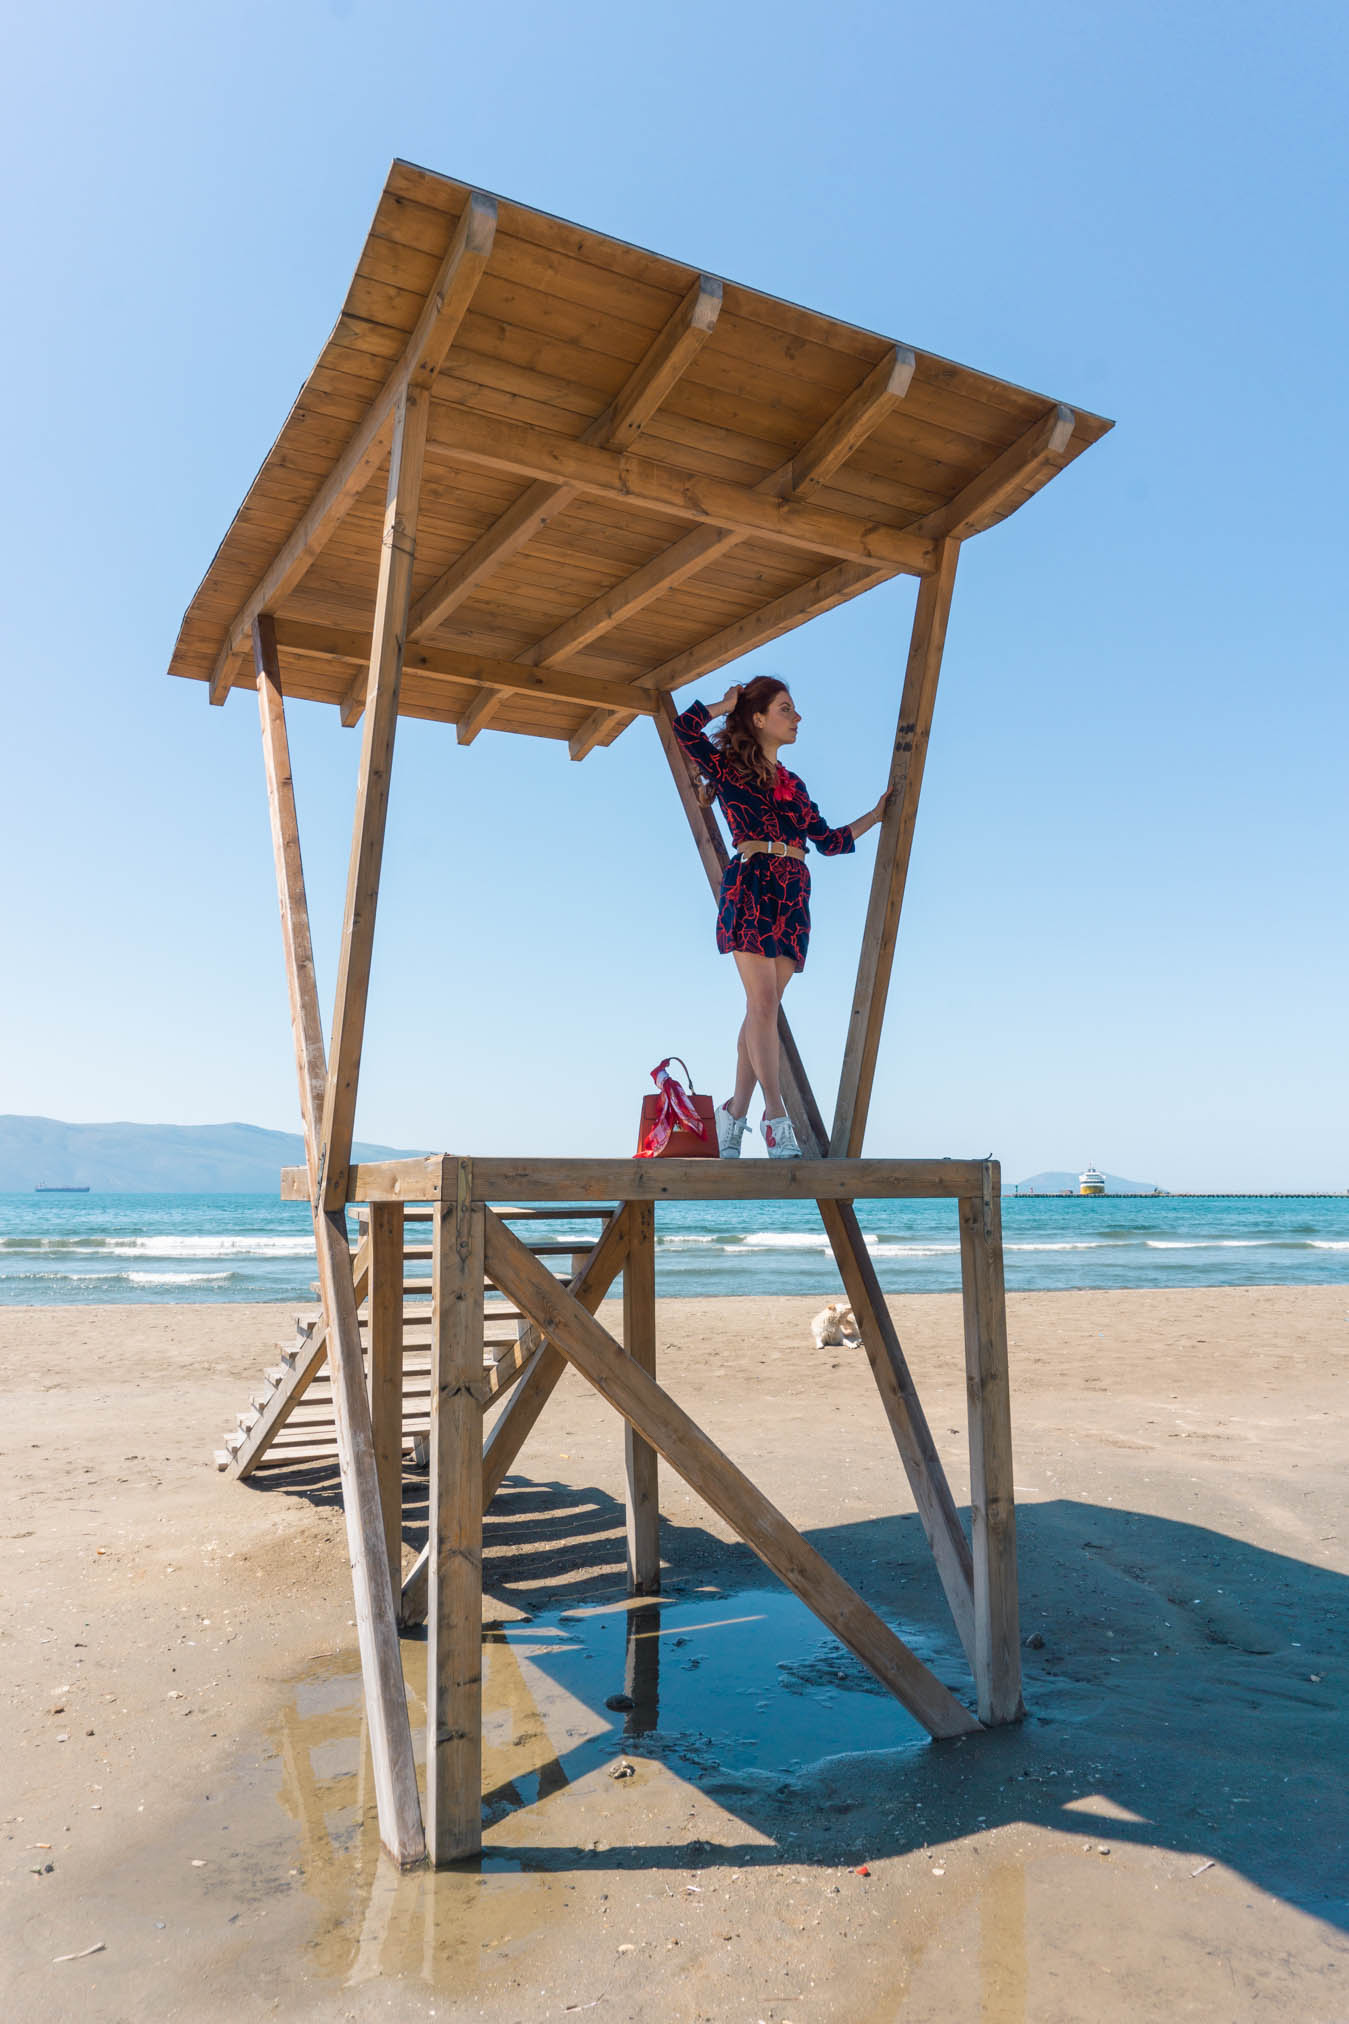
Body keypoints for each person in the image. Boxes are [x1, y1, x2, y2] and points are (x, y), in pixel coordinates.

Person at [672, 676, 890, 1158]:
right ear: (758, 718)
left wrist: (876, 816)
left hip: (793, 894)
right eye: (786, 709)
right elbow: (684, 729)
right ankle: (775, 1116)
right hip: (752, 882)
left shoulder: (795, 784)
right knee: (764, 1004)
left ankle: (734, 1113)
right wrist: (723, 704)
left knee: (761, 1011)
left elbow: (829, 842)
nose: (797, 718)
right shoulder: (729, 767)